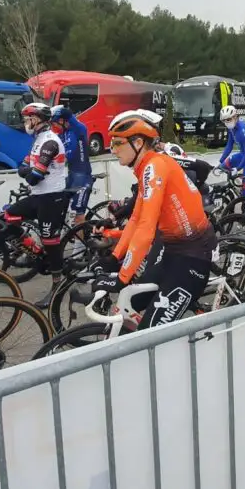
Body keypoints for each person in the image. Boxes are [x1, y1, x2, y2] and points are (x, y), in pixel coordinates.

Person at [91, 111, 216, 330]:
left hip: (194, 258)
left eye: (118, 143)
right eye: (112, 143)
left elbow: (147, 228)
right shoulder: (145, 169)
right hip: (173, 253)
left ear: (138, 143)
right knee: (131, 306)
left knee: (149, 336)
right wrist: (114, 257)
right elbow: (136, 219)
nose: (113, 149)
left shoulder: (155, 166)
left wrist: (122, 277)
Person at [12, 102, 70, 292]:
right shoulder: (38, 140)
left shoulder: (50, 142)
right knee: (8, 217)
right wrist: (29, 170)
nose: (25, 123)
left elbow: (32, 177)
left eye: (28, 119)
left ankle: (57, 284)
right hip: (38, 196)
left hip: (52, 197)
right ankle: (35, 252)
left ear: (37, 119)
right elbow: (22, 167)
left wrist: (29, 171)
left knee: (51, 242)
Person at [50, 105, 93, 225]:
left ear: (62, 120)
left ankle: (80, 244)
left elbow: (67, 113)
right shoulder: (61, 135)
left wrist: (57, 110)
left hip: (83, 176)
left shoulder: (78, 129)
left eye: (54, 123)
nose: (54, 127)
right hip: (71, 176)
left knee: (78, 215)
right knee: (61, 208)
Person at [217, 105, 245, 197]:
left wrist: (238, 169)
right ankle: (235, 185)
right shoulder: (231, 128)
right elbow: (229, 145)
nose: (226, 122)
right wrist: (220, 161)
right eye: (224, 120)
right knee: (223, 166)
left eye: (228, 119)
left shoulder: (244, 131)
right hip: (243, 154)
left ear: (235, 117)